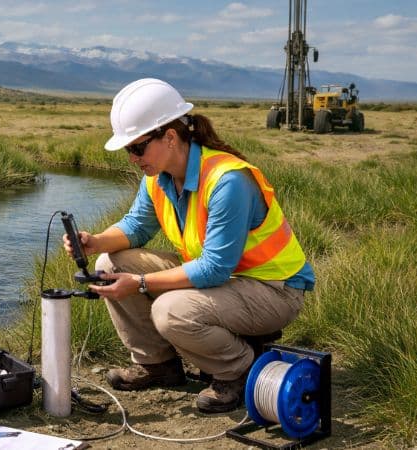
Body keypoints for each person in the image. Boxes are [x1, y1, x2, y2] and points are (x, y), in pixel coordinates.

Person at [63, 78, 315, 414]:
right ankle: (158, 365)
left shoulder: (228, 181)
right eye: (129, 150)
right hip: (227, 283)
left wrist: (139, 284)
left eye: (138, 148)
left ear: (169, 137)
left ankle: (239, 367)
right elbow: (136, 227)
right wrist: (94, 242)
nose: (133, 159)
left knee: (170, 312)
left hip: (273, 290)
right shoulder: (156, 178)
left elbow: (214, 268)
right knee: (110, 265)